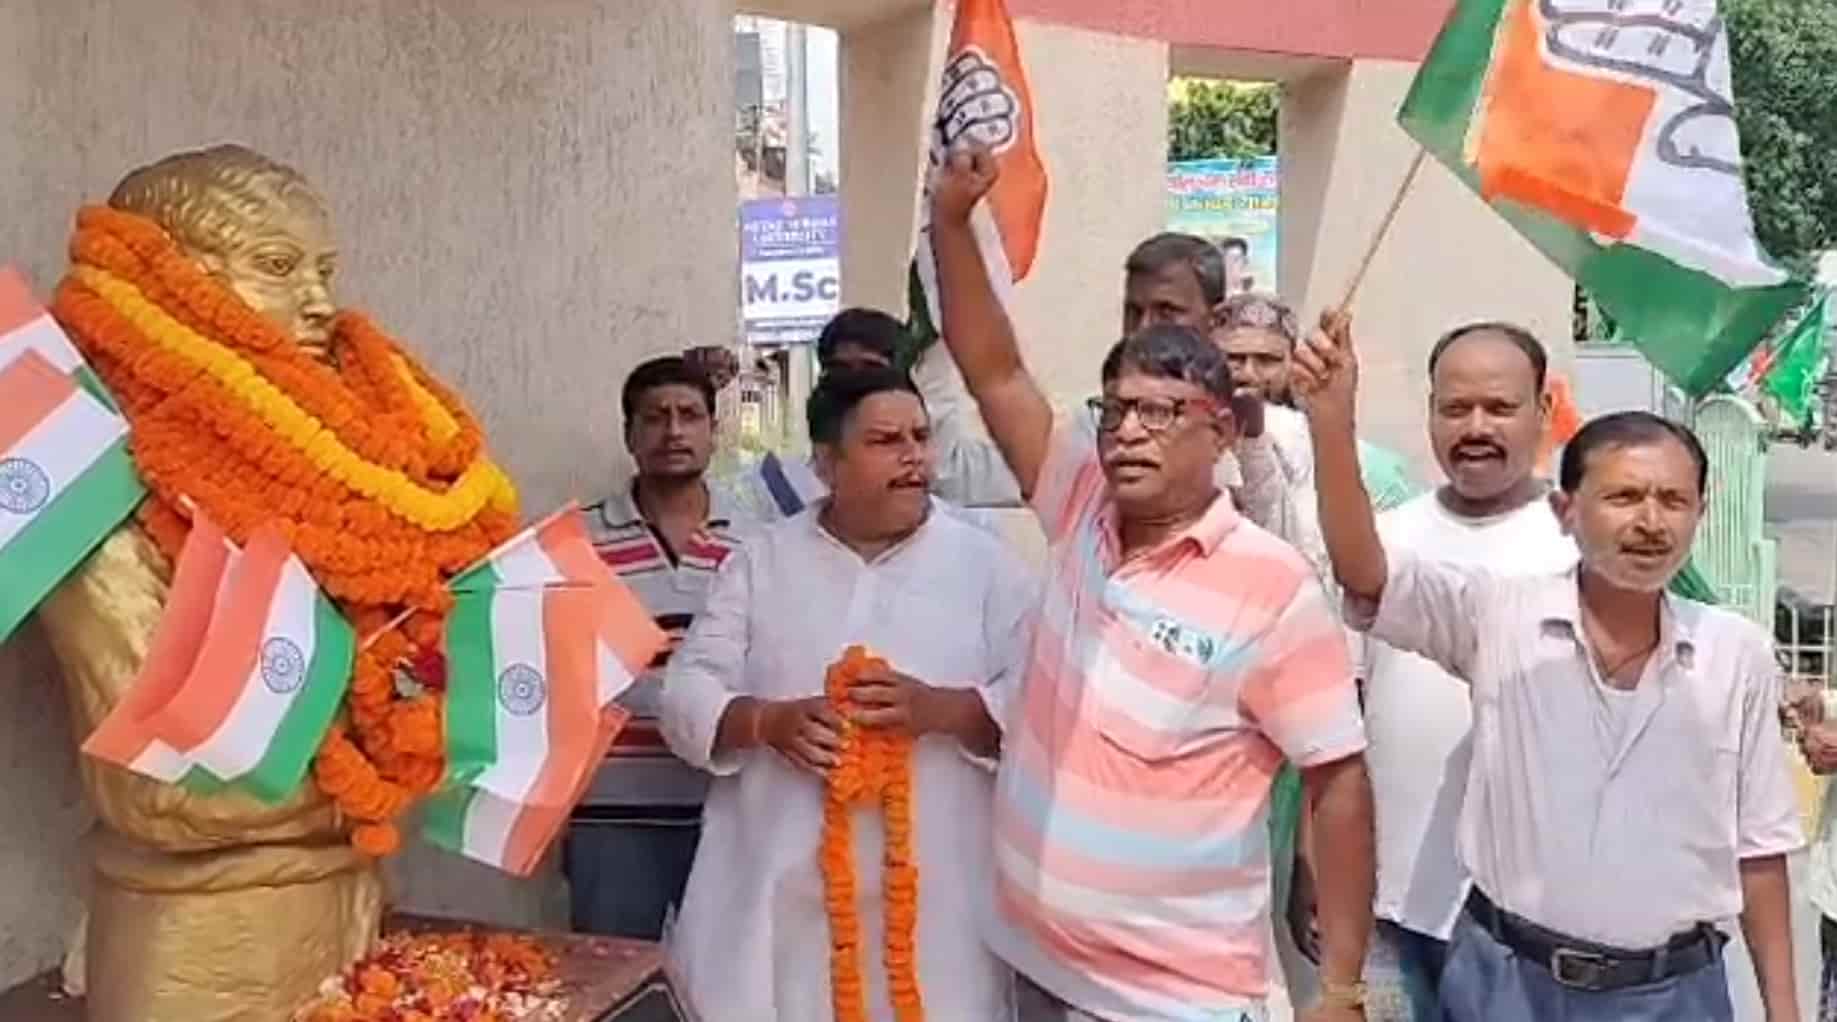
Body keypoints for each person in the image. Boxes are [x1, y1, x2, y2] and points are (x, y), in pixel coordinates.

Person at [931, 144, 1375, 1022]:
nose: (1130, 431)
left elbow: (1337, 781)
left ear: (1221, 433)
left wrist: (1341, 987)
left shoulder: (1270, 588)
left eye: (1163, 412)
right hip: (1034, 968)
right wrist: (950, 220)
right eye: (1118, 410)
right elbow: (994, 371)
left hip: (1175, 1000)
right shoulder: (1078, 503)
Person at [1293, 310, 1804, 1022]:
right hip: (1508, 985)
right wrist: (1330, 423)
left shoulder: (1734, 653)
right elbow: (1365, 574)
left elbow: (1761, 850)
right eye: (1623, 497)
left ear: (1699, 512)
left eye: (1671, 501)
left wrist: (1784, 1011)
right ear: (1567, 512)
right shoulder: (1497, 619)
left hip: (1673, 995)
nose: (1649, 523)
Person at [659, 368, 1034, 1022]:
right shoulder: (762, 561)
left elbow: (1044, 708)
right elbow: (685, 692)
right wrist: (763, 722)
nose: (914, 457)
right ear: (827, 464)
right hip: (778, 899)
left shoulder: (986, 566)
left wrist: (942, 710)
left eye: (920, 437)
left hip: (938, 910)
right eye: (886, 441)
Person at [1350, 323, 1579, 1022]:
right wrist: (1316, 861)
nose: (1475, 428)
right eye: (1455, 408)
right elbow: (1343, 708)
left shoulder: (1579, 545)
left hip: (1532, 927)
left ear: (1542, 411)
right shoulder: (1382, 542)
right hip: (1393, 906)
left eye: (1499, 408)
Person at [565, 355, 754, 939]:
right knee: (614, 975)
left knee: (726, 980)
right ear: (630, 435)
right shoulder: (576, 541)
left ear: (714, 432)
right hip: (611, 811)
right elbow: (556, 665)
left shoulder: (760, 542)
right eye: (655, 417)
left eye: (690, 415)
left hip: (728, 806)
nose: (674, 431)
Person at [748, 307, 1022, 518]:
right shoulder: (776, 491)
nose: (854, 385)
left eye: (870, 371)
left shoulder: (954, 472)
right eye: (841, 370)